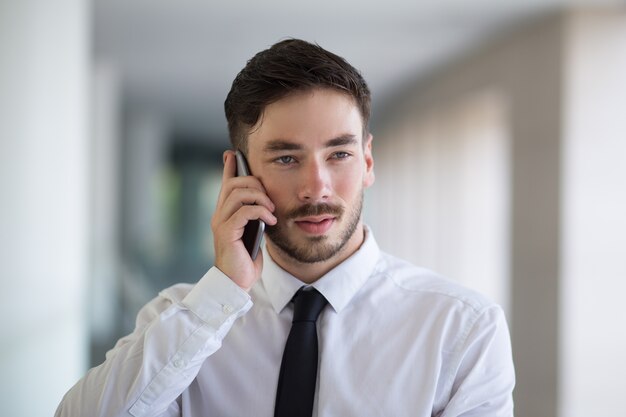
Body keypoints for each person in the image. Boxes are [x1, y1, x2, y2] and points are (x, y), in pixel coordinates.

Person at [56, 39, 515, 417]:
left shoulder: (462, 329)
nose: (317, 187)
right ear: (237, 174)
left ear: (368, 160)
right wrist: (222, 293)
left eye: (339, 154)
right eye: (286, 158)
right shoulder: (184, 322)